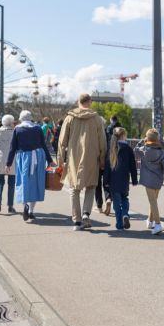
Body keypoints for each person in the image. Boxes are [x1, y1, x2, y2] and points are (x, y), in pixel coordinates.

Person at [58, 93, 106, 230]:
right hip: (92, 156)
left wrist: (61, 159)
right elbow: (102, 140)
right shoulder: (96, 118)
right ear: (89, 102)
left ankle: (77, 220)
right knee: (91, 186)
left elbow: (62, 141)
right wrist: (102, 158)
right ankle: (86, 213)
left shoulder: (69, 118)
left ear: (78, 101)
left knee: (74, 188)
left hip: (74, 157)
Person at [5, 110, 54, 222]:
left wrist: (8, 163)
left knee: (23, 182)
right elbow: (43, 145)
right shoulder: (37, 128)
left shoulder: (17, 129)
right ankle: (31, 210)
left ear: (21, 118)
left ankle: (25, 205)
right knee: (36, 183)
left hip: (23, 158)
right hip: (38, 157)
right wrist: (50, 160)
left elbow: (13, 148)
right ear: (31, 118)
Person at [135, 129, 164, 235]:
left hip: (148, 180)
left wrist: (141, 141)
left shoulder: (143, 149)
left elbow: (134, 150)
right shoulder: (162, 152)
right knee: (153, 201)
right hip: (158, 180)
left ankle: (158, 224)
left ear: (147, 138)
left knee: (153, 202)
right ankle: (150, 221)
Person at [104, 127, 138, 230]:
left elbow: (107, 167)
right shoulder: (128, 149)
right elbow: (133, 166)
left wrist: (105, 181)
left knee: (116, 203)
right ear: (124, 136)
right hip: (124, 180)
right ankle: (125, 215)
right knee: (125, 199)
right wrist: (134, 179)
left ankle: (119, 224)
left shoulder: (111, 149)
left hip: (113, 182)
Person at [95, 115, 115, 216]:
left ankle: (99, 206)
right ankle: (108, 198)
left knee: (96, 184)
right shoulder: (109, 134)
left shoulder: (94, 135)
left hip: (96, 161)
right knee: (106, 182)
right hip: (108, 161)